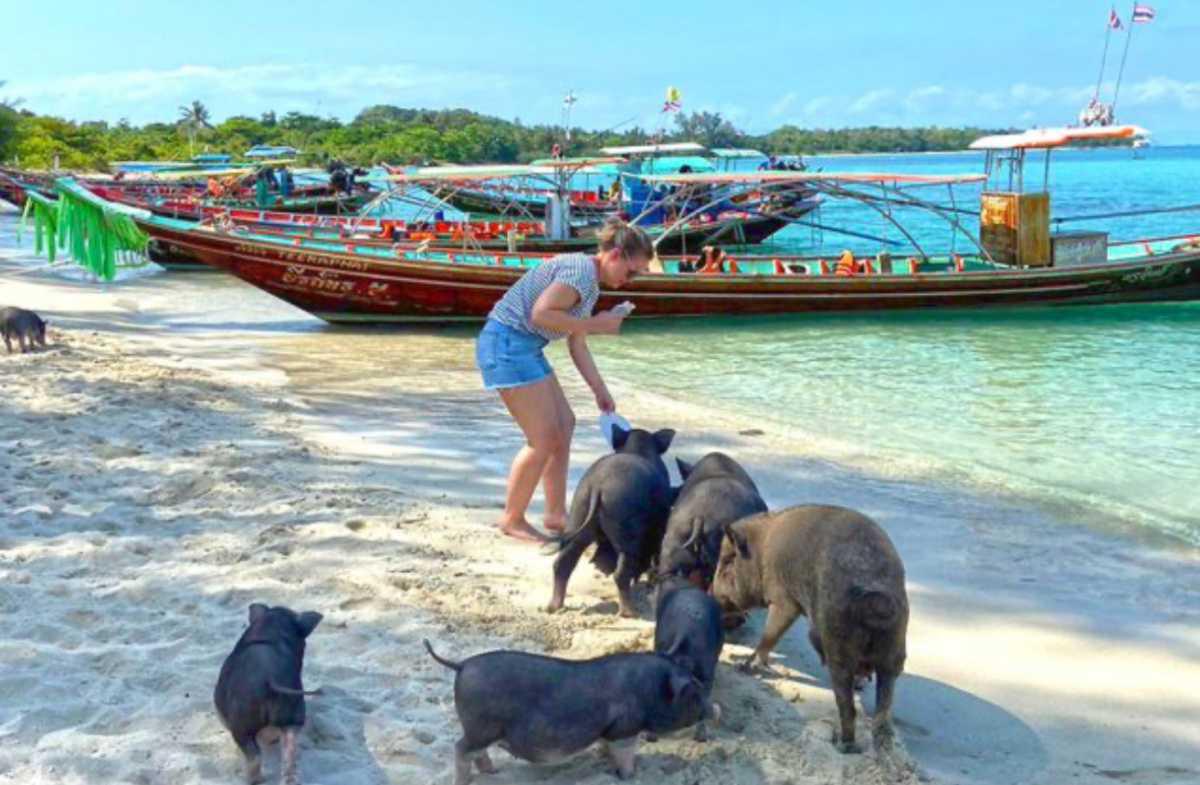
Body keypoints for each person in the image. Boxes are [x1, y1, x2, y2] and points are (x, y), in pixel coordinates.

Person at [476, 219, 653, 542]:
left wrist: (600, 390)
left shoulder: (590, 281)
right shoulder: (579, 274)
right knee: (542, 437)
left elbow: (577, 340)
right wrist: (599, 324)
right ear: (615, 254)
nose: (631, 280)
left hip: (523, 346)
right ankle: (512, 519)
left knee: (565, 425)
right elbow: (541, 314)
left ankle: (556, 515)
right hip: (507, 345)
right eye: (631, 272)